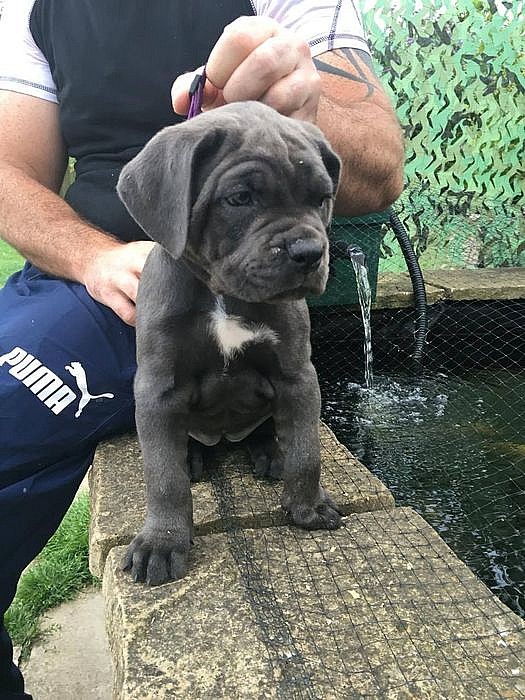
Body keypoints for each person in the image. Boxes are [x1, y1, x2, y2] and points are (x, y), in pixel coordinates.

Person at [0, 1, 403, 696]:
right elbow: (9, 173)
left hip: (250, 312)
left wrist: (305, 105)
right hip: (99, 278)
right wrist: (92, 257)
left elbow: (379, 166)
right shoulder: (36, 10)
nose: (307, 241)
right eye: (244, 197)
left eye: (314, 202)